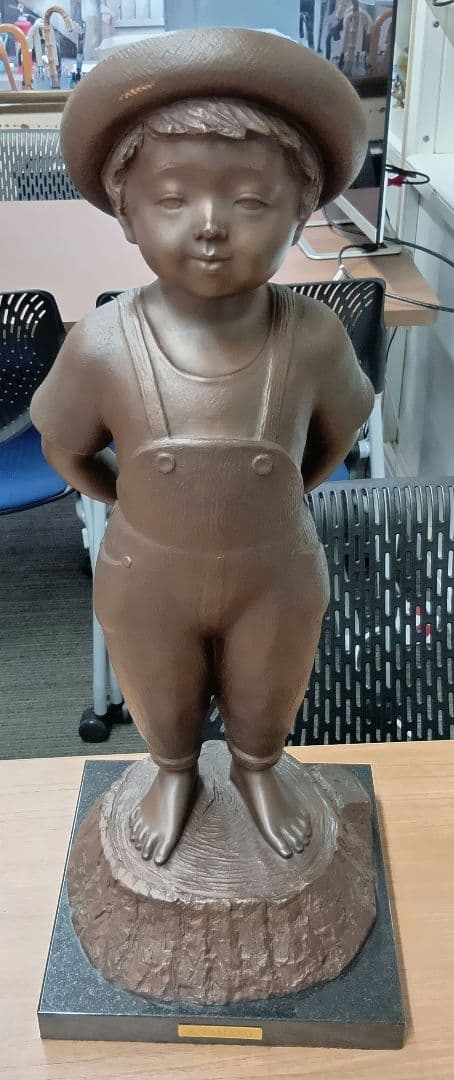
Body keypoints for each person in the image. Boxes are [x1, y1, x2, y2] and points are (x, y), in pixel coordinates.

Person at [31, 27, 374, 866]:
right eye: (173, 199)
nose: (212, 226)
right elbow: (65, 449)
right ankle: (173, 772)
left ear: (301, 211)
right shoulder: (103, 344)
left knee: (269, 686)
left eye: (251, 202)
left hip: (275, 570)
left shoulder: (314, 336)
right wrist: (128, 499)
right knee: (160, 688)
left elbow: (338, 434)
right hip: (149, 572)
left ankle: (258, 769)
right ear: (127, 213)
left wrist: (280, 497)